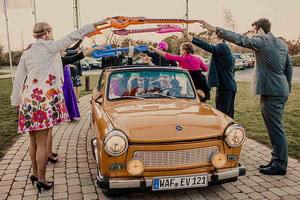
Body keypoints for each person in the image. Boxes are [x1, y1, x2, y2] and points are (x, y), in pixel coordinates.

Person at [11, 18, 108, 192]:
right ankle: (42, 179)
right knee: (42, 144)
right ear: (47, 32)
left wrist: (16, 101)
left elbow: (18, 79)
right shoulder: (51, 47)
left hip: (28, 101)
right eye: (51, 32)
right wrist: (99, 23)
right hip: (43, 101)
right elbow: (75, 34)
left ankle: (35, 174)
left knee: (33, 140)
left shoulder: (28, 53)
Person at [199, 18, 293, 175]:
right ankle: (276, 159)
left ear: (260, 30)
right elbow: (288, 67)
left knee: (276, 128)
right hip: (281, 90)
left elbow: (241, 40)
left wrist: (216, 29)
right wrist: (286, 87)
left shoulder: (262, 40)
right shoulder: (282, 43)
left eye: (254, 31)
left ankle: (280, 164)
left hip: (271, 91)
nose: (254, 35)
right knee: (275, 127)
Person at [183, 30, 237, 118]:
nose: (211, 40)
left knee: (222, 114)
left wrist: (191, 39)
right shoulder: (227, 50)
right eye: (210, 38)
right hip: (230, 86)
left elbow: (207, 47)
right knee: (228, 115)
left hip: (225, 87)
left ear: (221, 39)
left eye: (213, 38)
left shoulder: (222, 46)